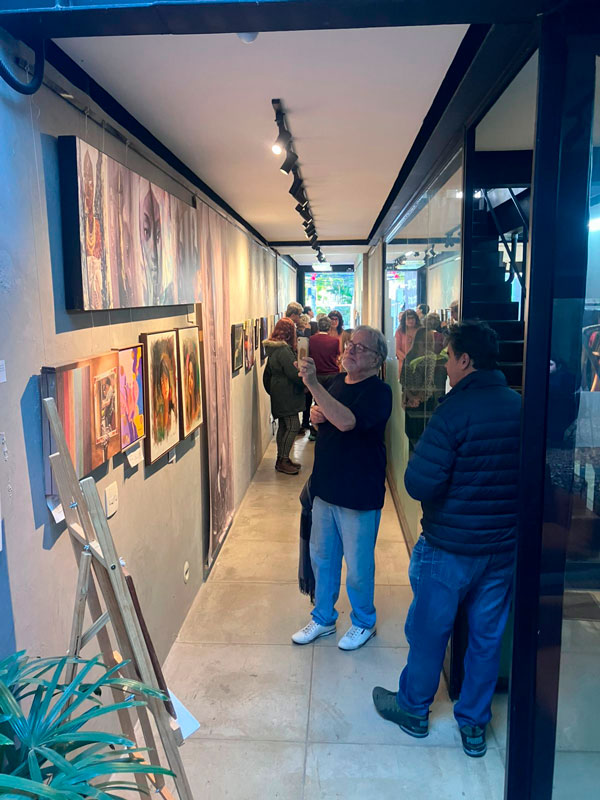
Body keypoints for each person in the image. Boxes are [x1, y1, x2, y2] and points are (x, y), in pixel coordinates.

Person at [372, 320, 521, 758]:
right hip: (500, 548)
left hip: (449, 548)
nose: (446, 366)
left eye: (449, 358)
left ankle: (413, 709)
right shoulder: (519, 406)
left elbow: (419, 482)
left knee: (429, 630)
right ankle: (474, 724)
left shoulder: (453, 412)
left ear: (465, 360)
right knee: (487, 637)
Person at [292, 326, 393, 651]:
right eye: (350, 344)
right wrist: (315, 414)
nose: (351, 349)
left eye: (360, 348)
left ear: (376, 359)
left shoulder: (379, 391)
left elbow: (347, 421)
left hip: (358, 493)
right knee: (323, 559)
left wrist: (312, 385)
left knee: (358, 567)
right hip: (326, 487)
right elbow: (328, 418)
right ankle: (323, 617)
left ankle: (364, 622)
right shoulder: (336, 382)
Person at [263, 318, 305, 475]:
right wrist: (305, 384)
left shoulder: (273, 349)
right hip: (287, 393)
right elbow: (294, 373)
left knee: (283, 426)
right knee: (293, 425)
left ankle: (281, 459)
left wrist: (273, 390)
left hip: (279, 392)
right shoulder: (284, 350)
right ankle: (283, 460)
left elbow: (266, 375)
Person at [401, 328, 448, 452]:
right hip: (416, 400)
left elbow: (425, 381)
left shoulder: (419, 356)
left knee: (416, 434)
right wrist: (413, 398)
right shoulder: (417, 356)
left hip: (418, 400)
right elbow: (406, 380)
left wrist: (414, 398)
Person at [308, 316, 340, 390]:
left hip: (316, 373)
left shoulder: (311, 339)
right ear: (329, 327)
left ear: (318, 327)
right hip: (332, 373)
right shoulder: (335, 341)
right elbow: (337, 356)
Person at [395, 309, 421, 378]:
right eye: (408, 318)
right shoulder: (399, 332)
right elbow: (397, 350)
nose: (411, 321)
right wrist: (407, 360)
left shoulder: (421, 331)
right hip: (404, 365)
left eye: (412, 318)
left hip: (419, 364)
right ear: (404, 320)